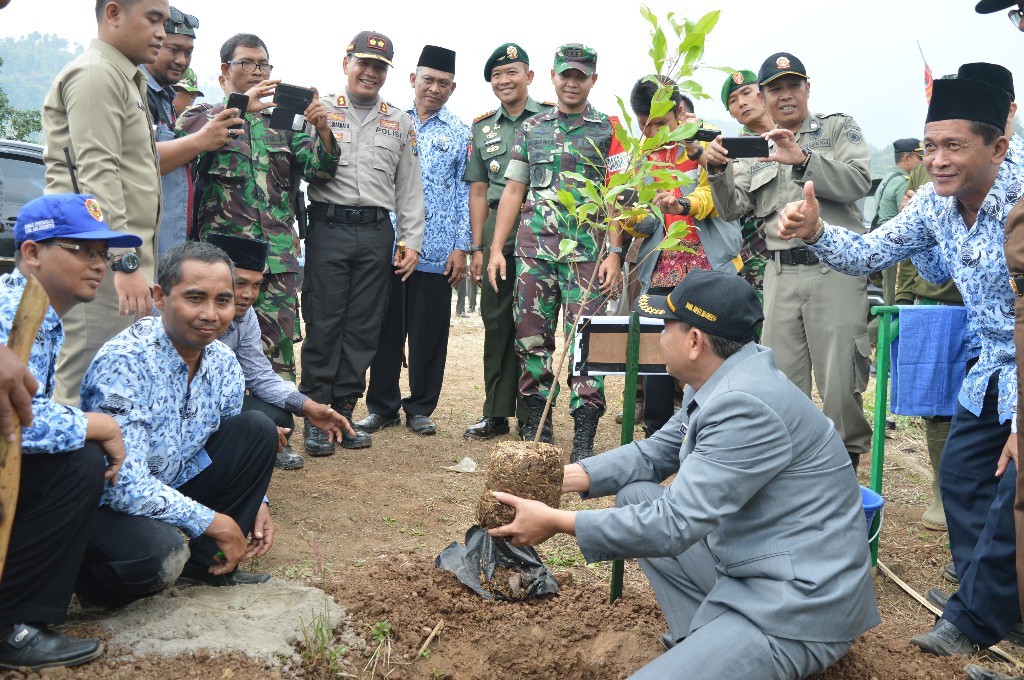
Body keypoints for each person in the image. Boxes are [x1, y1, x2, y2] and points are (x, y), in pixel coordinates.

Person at [489, 269, 879, 679]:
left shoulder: (745, 405)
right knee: (637, 496)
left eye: (664, 326)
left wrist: (556, 521)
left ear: (695, 341)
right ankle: (706, 640)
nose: (658, 337)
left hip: (795, 605)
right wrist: (555, 478)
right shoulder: (719, 379)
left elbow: (673, 524)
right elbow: (657, 452)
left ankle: (736, 650)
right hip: (757, 565)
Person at [777, 76, 1019, 657]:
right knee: (963, 479)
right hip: (988, 366)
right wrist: (814, 230)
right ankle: (994, 600)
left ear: (998, 148)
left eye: (955, 146)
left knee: (1014, 495)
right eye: (931, 145)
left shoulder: (1020, 205)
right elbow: (871, 252)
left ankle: (973, 619)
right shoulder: (937, 204)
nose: (937, 160)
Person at [78, 241, 278, 604]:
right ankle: (90, 582)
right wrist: (213, 521)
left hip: (174, 480)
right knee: (156, 558)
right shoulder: (126, 361)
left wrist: (258, 501)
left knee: (257, 429)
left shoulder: (222, 361)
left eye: (222, 301)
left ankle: (207, 567)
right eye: (195, 298)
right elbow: (122, 486)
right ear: (159, 297)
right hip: (112, 504)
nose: (210, 314)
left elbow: (229, 443)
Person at [705, 52, 873, 468]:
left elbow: (858, 182)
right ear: (762, 97)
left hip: (833, 269)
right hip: (779, 274)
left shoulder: (837, 128)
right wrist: (715, 172)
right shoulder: (753, 146)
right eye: (774, 89)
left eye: (793, 85)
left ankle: (844, 471)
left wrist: (803, 158)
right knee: (780, 378)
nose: (785, 96)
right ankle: (793, 472)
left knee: (838, 381)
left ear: (807, 88)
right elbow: (732, 208)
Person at [0, 194, 133, 671]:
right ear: (32, 252)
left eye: (103, 254)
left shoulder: (41, 310)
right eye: (81, 249)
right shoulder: (12, 307)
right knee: (77, 463)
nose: (98, 265)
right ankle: (13, 625)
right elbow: (16, 424)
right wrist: (100, 424)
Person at [486, 43, 624, 461]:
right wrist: (496, 249)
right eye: (566, 74)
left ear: (593, 80)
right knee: (531, 339)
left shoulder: (608, 129)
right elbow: (513, 189)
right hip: (534, 254)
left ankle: (583, 433)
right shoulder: (533, 128)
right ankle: (537, 430)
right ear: (553, 76)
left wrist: (615, 252)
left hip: (588, 255)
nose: (572, 82)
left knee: (588, 341)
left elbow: (618, 198)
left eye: (580, 76)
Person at [178, 33, 340, 386]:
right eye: (247, 63)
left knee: (276, 348)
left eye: (263, 64)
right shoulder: (205, 116)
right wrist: (236, 108)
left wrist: (323, 129)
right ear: (225, 69)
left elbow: (321, 171)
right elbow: (182, 143)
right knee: (212, 344)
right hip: (221, 262)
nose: (257, 70)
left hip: (276, 259)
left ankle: (276, 435)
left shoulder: (284, 122)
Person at [300, 30, 424, 452]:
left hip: (376, 233)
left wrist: (411, 241)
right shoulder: (320, 109)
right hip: (328, 229)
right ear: (346, 63)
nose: (369, 73)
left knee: (363, 327)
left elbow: (409, 188)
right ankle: (317, 416)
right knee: (324, 321)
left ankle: (344, 410)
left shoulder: (398, 120)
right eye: (363, 64)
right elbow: (307, 168)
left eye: (379, 67)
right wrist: (318, 126)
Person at [42, 0, 169, 406]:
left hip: (112, 259)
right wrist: (125, 259)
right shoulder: (96, 75)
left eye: (164, 21)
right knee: (84, 382)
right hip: (95, 257)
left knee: (118, 385)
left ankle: (104, 470)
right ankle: (68, 470)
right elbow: (96, 175)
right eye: (153, 19)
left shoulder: (125, 78)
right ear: (113, 13)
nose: (162, 33)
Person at [356, 45, 469, 436]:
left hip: (437, 253)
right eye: (428, 80)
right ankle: (382, 405)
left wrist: (462, 246)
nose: (434, 88)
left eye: (443, 83)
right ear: (412, 80)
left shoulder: (460, 133)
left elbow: (464, 192)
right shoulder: (390, 122)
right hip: (389, 247)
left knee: (429, 334)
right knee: (385, 331)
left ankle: (421, 406)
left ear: (452, 88)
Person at [624, 76, 729, 436]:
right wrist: (631, 214)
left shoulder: (708, 140)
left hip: (704, 263)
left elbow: (716, 195)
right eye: (644, 124)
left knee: (708, 349)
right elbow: (646, 220)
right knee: (661, 350)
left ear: (679, 111)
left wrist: (682, 203)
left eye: (659, 123)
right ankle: (656, 432)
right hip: (662, 266)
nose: (652, 131)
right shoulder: (644, 154)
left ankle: (710, 430)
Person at [207, 234, 355, 470]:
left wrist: (308, 407)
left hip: (215, 405)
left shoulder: (246, 317)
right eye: (239, 283)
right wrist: (242, 428)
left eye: (256, 285)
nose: (249, 294)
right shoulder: (184, 316)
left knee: (279, 416)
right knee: (259, 425)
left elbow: (259, 376)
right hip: (174, 413)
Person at [462, 42, 548, 441]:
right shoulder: (483, 128)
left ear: (529, 76)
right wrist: (478, 248)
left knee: (536, 324)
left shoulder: (550, 118)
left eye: (512, 72)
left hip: (543, 225)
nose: (504, 80)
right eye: (496, 75)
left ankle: (536, 412)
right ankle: (496, 412)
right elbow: (478, 192)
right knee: (496, 321)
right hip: (499, 227)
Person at [143, 8, 239, 260]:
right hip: (142, 246)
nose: (182, 61)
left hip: (169, 245)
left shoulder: (163, 98)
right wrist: (201, 141)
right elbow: (141, 162)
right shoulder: (136, 92)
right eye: (173, 49)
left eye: (188, 52)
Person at [721, 69, 774, 296]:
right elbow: (734, 205)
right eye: (733, 101)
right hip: (761, 262)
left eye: (746, 93)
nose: (741, 103)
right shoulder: (735, 152)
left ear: (762, 95)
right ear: (732, 114)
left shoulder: (796, 133)